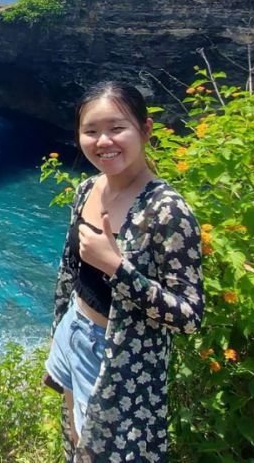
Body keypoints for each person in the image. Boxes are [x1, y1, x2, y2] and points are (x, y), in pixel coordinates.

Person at [45, 81, 204, 462]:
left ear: (145, 130)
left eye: (117, 128)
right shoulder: (87, 189)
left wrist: (118, 269)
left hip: (120, 355)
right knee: (75, 440)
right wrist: (58, 335)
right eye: (91, 131)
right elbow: (71, 271)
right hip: (75, 330)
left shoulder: (167, 211)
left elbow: (190, 316)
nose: (104, 141)